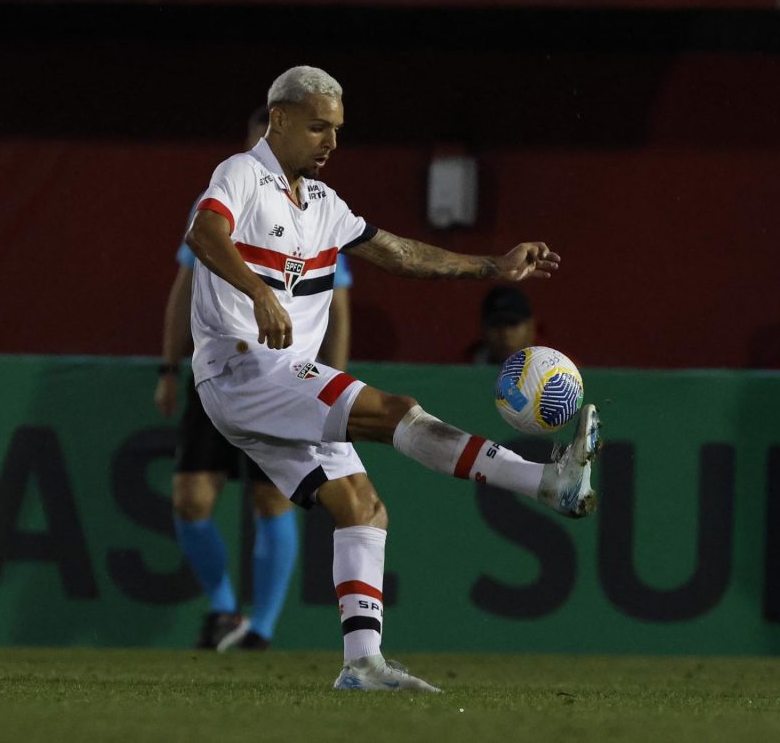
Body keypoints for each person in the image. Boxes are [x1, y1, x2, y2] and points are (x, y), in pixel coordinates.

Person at [185, 65, 600, 692]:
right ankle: (548, 482)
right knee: (395, 410)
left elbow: (404, 254)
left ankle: (362, 664)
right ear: (279, 119)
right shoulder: (242, 174)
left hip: (272, 379)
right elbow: (204, 232)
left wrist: (493, 264)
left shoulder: (324, 205)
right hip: (243, 368)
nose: (331, 143)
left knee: (364, 508)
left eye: (338, 131)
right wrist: (258, 293)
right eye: (318, 127)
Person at [155, 106, 354, 652]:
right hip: (220, 366)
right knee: (191, 499)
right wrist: (168, 366)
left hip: (285, 375)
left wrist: (330, 378)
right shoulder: (219, 202)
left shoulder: (317, 213)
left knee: (273, 501)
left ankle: (260, 629)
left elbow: (338, 303)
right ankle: (224, 609)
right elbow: (183, 287)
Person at [467, 285, 537, 364]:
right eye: (496, 325)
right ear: (483, 329)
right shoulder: (464, 368)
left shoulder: (549, 368)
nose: (505, 333)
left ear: (530, 328)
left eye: (513, 323)